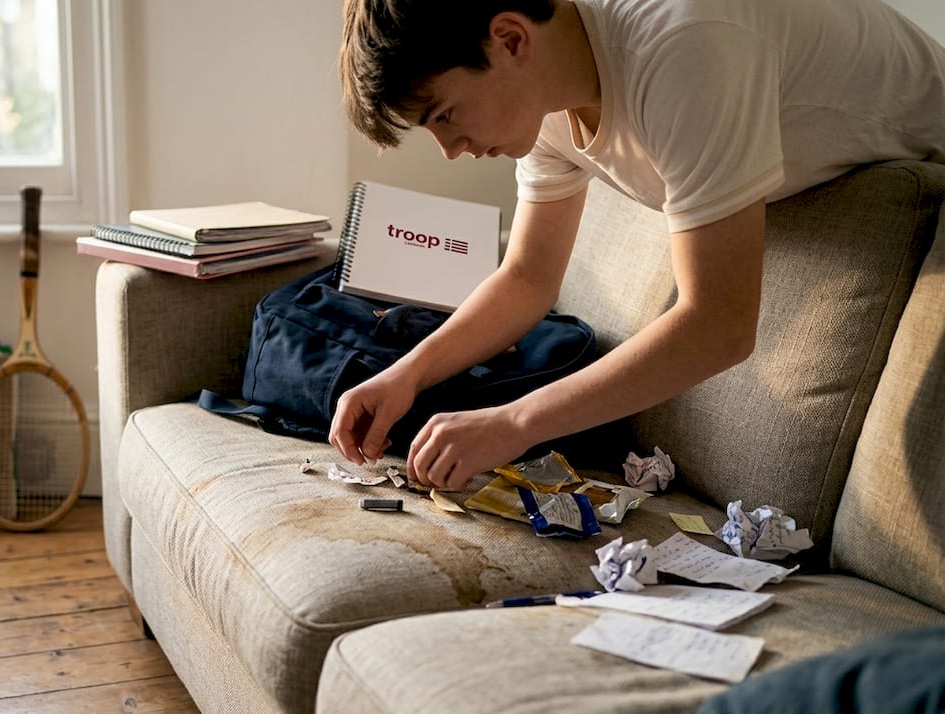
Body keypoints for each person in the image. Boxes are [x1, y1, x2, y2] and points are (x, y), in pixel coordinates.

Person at [332, 0, 945, 490]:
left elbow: (719, 323)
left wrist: (513, 423)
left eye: (443, 114)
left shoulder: (686, 45)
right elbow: (527, 278)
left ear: (512, 39)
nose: (451, 149)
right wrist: (405, 375)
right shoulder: (548, 102)